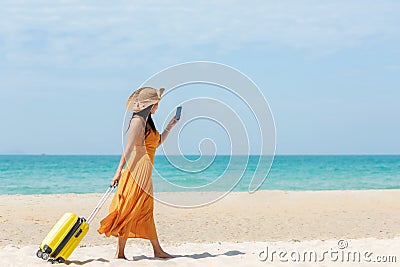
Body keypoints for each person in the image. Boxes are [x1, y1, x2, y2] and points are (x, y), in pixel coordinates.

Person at [97, 87, 179, 259]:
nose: (158, 106)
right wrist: (118, 172)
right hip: (136, 170)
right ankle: (119, 253)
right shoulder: (137, 121)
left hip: (146, 170)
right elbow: (128, 149)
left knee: (146, 209)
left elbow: (155, 144)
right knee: (129, 208)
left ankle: (157, 250)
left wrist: (170, 127)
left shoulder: (148, 121)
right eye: (157, 103)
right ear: (150, 104)